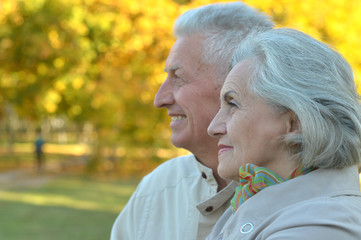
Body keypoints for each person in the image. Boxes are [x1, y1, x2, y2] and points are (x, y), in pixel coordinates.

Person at [110, 2, 273, 240]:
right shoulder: (158, 189)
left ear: (236, 82)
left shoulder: (303, 196)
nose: (159, 99)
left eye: (178, 77)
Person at [206, 28, 361, 239]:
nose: (213, 127)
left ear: (294, 124)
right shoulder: (244, 205)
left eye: (232, 104)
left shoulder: (324, 225)